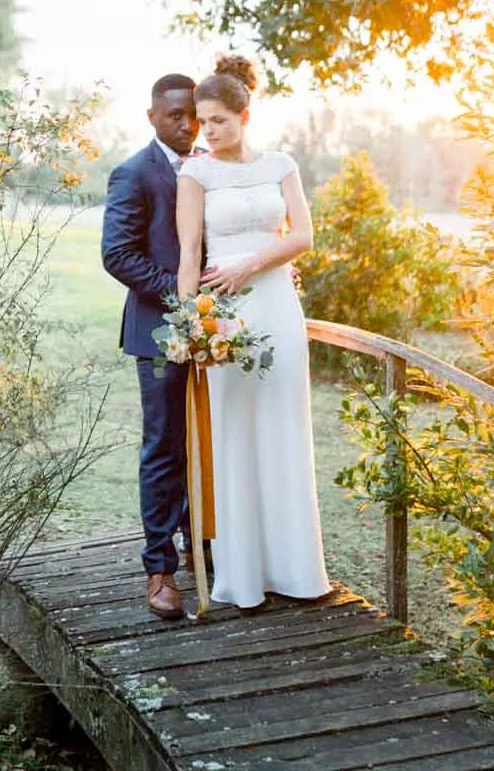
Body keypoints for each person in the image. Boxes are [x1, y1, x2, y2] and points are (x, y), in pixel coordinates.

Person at [176, 54, 331, 609]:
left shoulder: (282, 165)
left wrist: (250, 266)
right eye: (202, 120)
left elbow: (303, 237)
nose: (207, 130)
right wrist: (191, 322)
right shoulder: (194, 174)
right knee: (235, 433)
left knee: (283, 427)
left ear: (244, 114)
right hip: (224, 316)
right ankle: (243, 577)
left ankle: (297, 570)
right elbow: (189, 256)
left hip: (274, 305)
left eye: (217, 119)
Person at [101, 72, 213, 620]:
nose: (187, 124)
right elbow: (117, 255)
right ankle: (159, 570)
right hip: (159, 332)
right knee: (165, 447)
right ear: (151, 117)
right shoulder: (133, 173)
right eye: (175, 115)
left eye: (193, 113)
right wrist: (183, 297)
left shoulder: (214, 167)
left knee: (213, 444)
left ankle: (207, 550)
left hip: (217, 331)